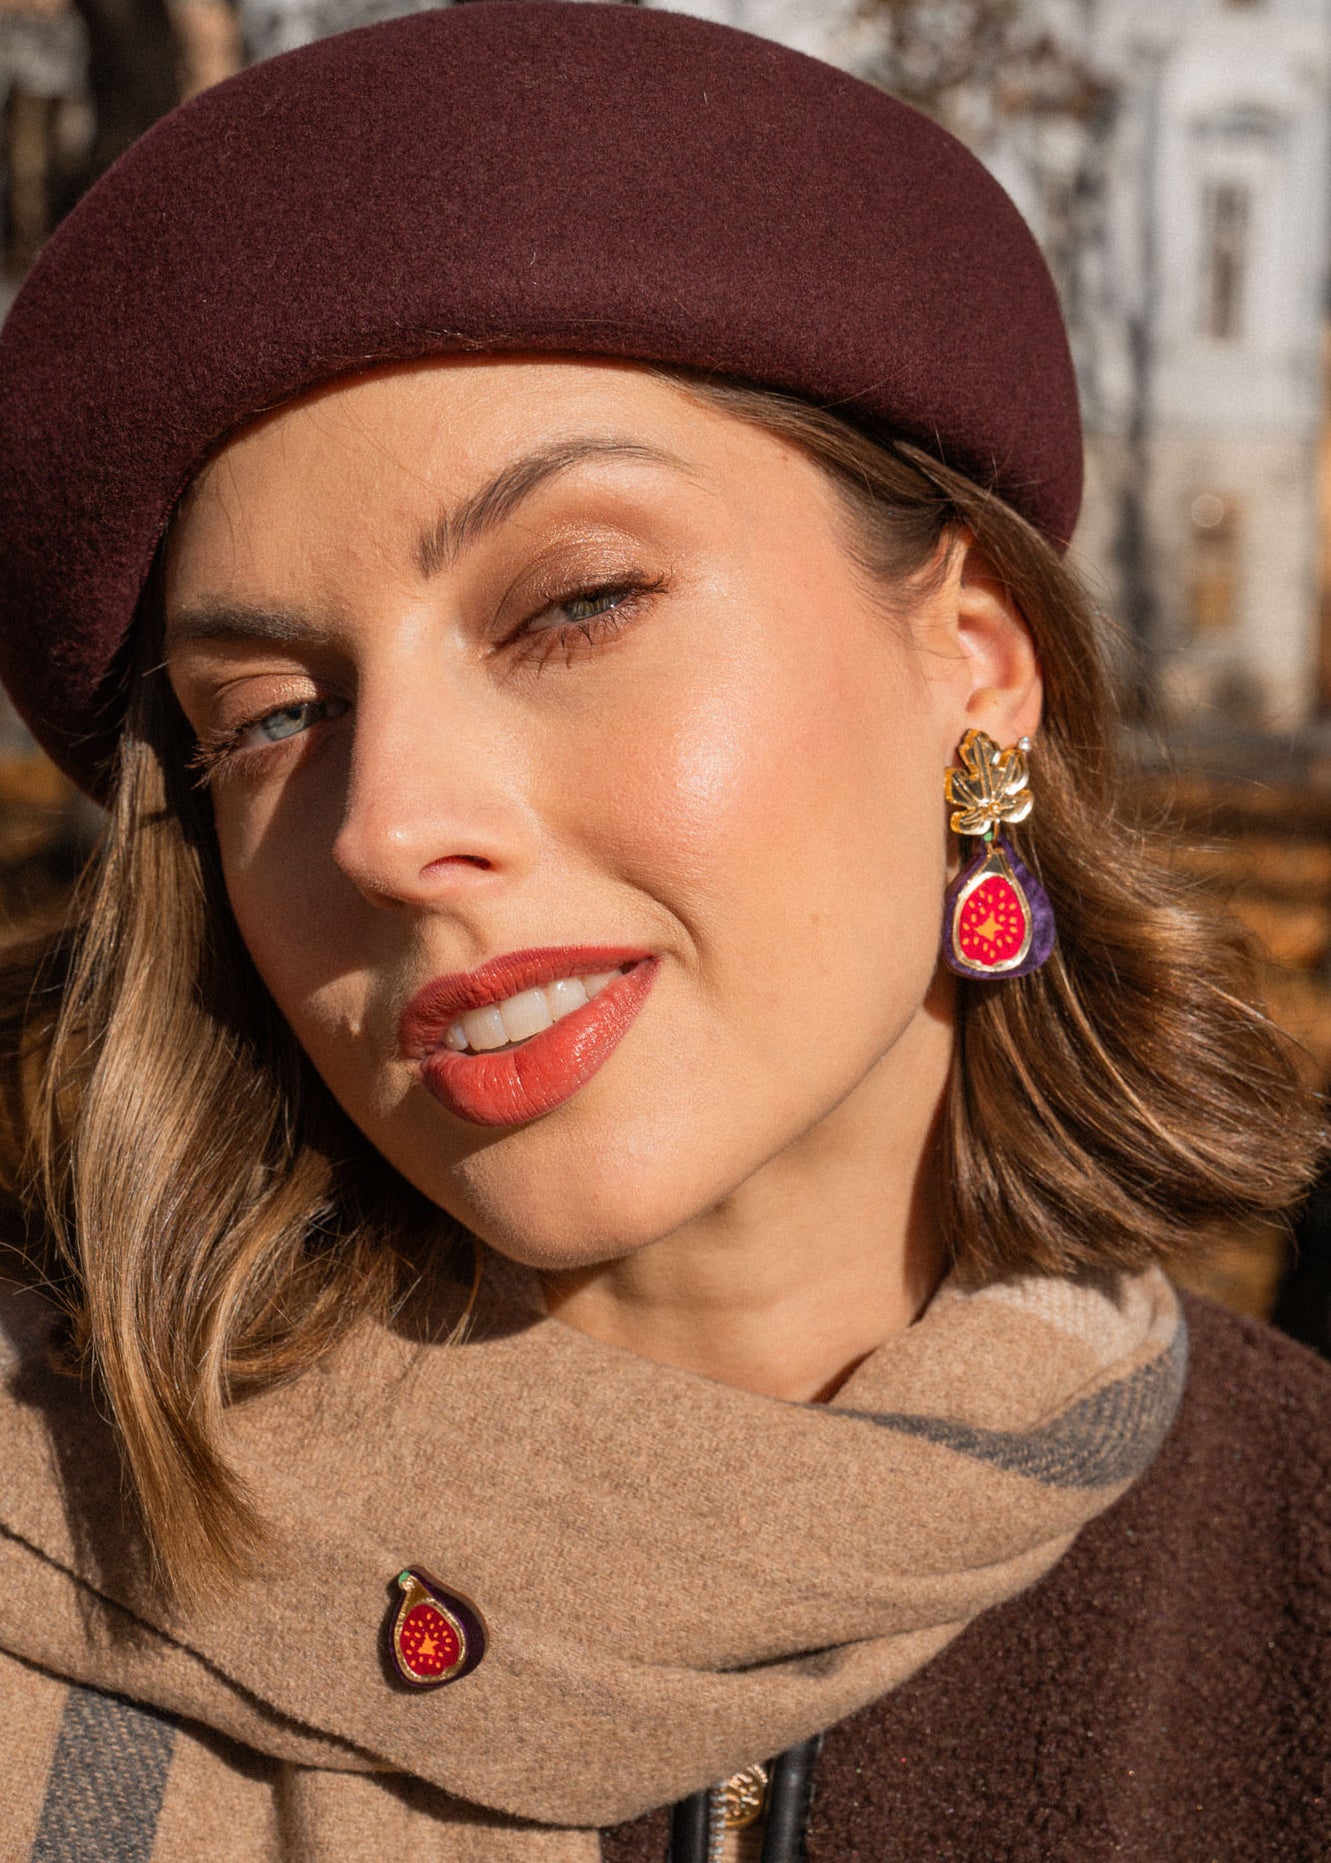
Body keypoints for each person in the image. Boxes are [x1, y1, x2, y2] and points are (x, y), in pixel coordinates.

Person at [0, 6, 1326, 1859]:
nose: (383, 831)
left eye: (576, 604)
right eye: (269, 718)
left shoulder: (1296, 1583)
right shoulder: (41, 1553)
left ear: (975, 674)